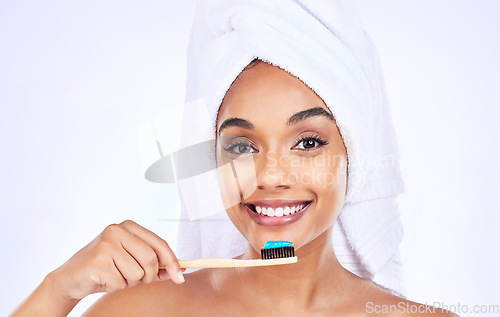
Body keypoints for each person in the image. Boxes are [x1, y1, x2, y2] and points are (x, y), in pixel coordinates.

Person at [12, 59, 456, 316]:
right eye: (241, 147)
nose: (269, 176)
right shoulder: (142, 310)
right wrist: (58, 291)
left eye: (307, 142)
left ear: (353, 157)